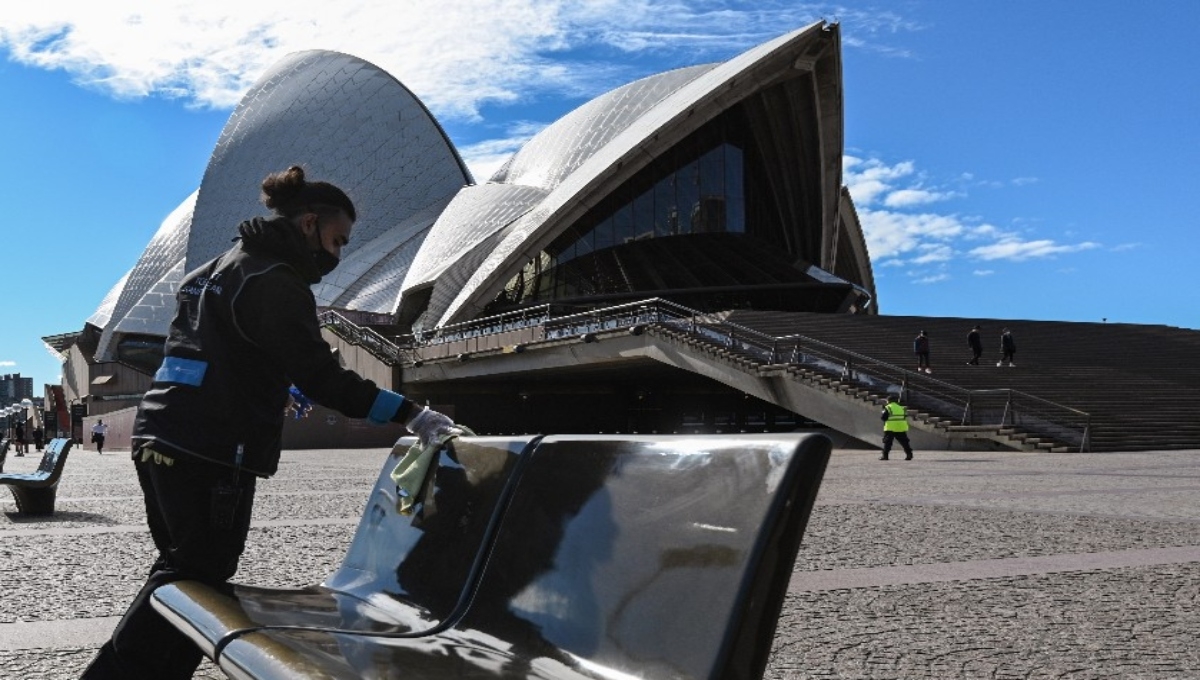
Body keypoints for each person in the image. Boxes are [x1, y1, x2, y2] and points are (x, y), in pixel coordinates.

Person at [81, 165, 458, 680]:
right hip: (209, 449)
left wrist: (258, 384)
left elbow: (202, 355)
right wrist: (411, 413)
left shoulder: (209, 272)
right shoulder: (274, 280)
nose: (338, 254)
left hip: (160, 436)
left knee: (187, 575)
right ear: (308, 224)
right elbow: (325, 378)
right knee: (194, 578)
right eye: (337, 239)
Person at [879, 394, 913, 461]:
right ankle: (909, 454)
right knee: (904, 442)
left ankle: (885, 456)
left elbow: (883, 418)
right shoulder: (901, 407)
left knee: (887, 442)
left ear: (889, 401)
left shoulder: (888, 407)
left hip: (890, 427)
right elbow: (904, 416)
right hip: (900, 427)